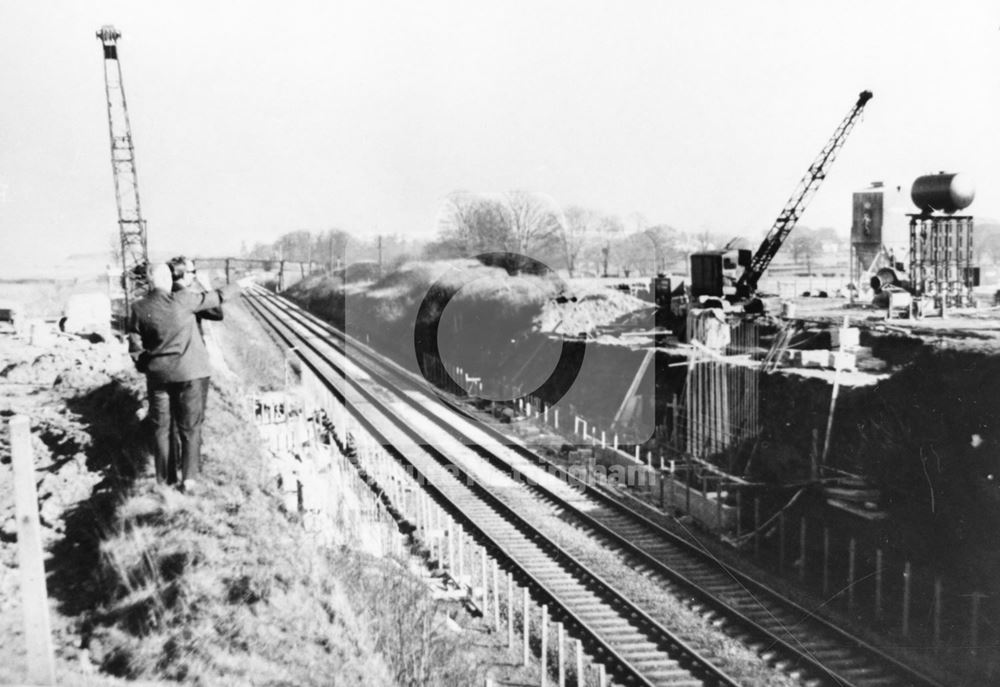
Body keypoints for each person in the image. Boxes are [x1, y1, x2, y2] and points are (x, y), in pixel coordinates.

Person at [127, 263, 247, 493]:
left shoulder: (138, 308)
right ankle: (189, 478)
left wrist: (147, 365)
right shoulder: (183, 300)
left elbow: (134, 343)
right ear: (167, 280)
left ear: (149, 282)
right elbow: (217, 297)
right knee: (190, 426)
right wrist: (238, 285)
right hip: (190, 373)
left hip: (158, 376)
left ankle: (165, 481)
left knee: (161, 428)